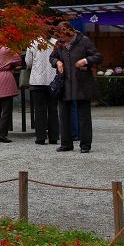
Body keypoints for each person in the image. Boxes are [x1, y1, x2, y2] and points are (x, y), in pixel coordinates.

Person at [50, 21, 102, 153]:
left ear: (70, 32)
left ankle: (85, 144)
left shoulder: (84, 41)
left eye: (65, 37)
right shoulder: (59, 44)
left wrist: (85, 61)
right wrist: (57, 62)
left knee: (84, 115)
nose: (63, 39)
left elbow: (98, 56)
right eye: (61, 37)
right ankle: (66, 143)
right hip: (65, 83)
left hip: (82, 83)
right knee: (63, 115)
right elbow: (52, 57)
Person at [25, 37, 59, 145]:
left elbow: (28, 62)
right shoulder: (55, 43)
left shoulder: (33, 42)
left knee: (39, 110)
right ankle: (54, 137)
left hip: (37, 80)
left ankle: (40, 137)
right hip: (52, 79)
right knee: (53, 109)